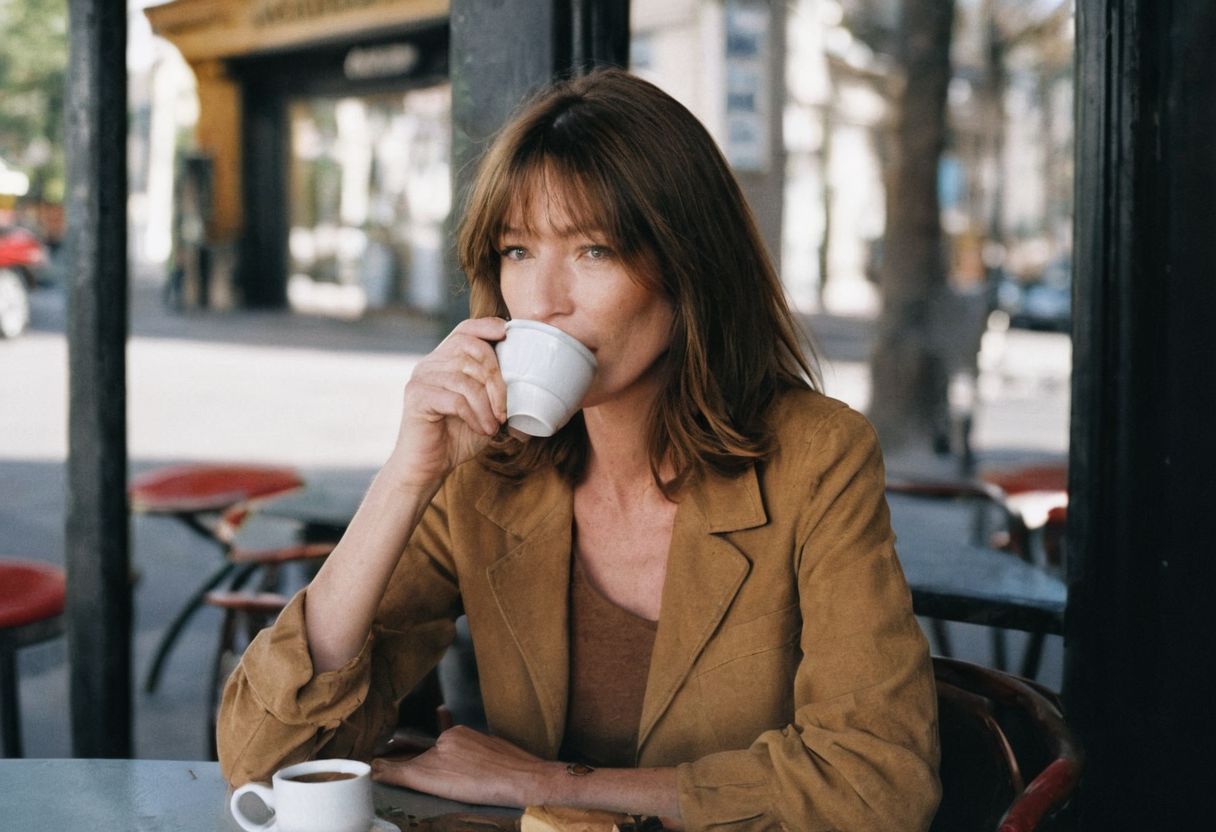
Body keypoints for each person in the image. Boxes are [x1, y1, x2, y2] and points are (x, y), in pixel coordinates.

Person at [218, 68, 940, 831]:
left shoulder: (815, 456)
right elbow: (266, 759)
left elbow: (876, 788)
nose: (543, 299)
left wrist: (548, 782)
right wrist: (409, 473)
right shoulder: (488, 473)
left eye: (594, 250)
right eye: (517, 251)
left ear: (686, 266)